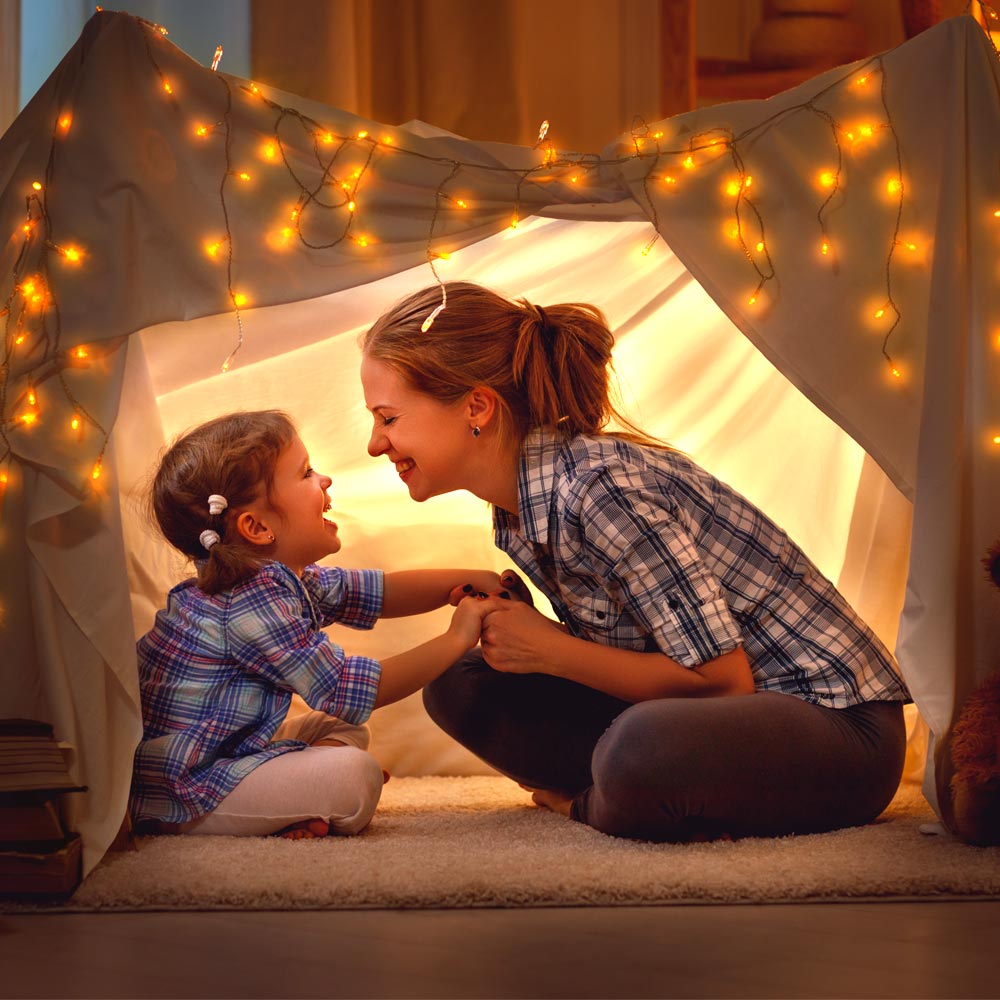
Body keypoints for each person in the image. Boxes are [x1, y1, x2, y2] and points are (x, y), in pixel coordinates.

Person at [359, 280, 912, 842]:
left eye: (388, 418)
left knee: (642, 748)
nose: (375, 445)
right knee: (459, 682)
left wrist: (551, 650)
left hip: (836, 731)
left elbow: (723, 684)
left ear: (476, 407)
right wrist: (530, 639)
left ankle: (597, 804)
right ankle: (643, 794)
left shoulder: (602, 491)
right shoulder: (519, 509)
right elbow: (642, 651)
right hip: (710, 722)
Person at [131, 409, 498, 839]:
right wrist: (458, 637)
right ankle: (306, 794)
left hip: (227, 748)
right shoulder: (248, 600)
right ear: (256, 527)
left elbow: (378, 593)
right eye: (306, 473)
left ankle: (299, 798)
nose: (324, 480)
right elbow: (349, 689)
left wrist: (465, 580)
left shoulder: (279, 579)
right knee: (354, 778)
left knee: (340, 728)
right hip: (186, 785)